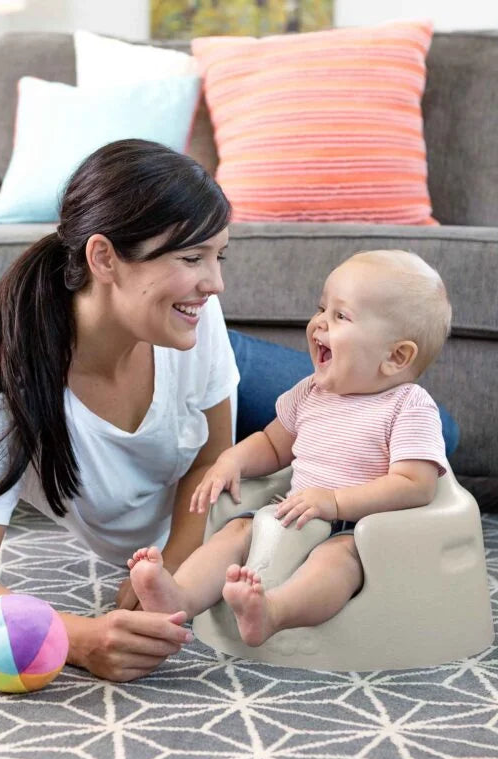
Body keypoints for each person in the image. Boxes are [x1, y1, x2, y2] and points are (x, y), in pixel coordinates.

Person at [0, 139, 238, 682]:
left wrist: (175, 567)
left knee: (418, 427)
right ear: (103, 258)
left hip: (212, 372)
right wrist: (78, 637)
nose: (215, 283)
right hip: (158, 354)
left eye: (217, 256)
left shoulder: (195, 316)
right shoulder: (8, 393)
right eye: (192, 258)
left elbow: (213, 457)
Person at [127, 249, 451, 647]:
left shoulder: (408, 406)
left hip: (360, 529)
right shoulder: (311, 392)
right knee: (236, 531)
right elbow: (272, 444)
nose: (319, 324)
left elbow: (415, 485)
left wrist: (335, 502)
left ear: (396, 356)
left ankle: (274, 613)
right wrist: (233, 460)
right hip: (292, 511)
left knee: (337, 563)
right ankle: (179, 597)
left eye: (340, 316)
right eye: (321, 308)